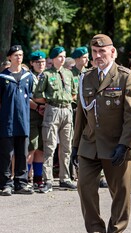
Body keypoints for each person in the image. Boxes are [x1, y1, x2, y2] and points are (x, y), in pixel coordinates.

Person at [71, 34, 131, 233]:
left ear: (113, 52)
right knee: (85, 187)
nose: (98, 56)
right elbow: (80, 114)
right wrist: (74, 146)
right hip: (90, 144)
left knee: (120, 192)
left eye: (102, 51)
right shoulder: (86, 78)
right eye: (94, 52)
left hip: (117, 144)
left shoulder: (125, 77)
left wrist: (125, 144)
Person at [34, 46, 78, 192]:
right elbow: (37, 95)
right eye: (59, 56)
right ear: (53, 59)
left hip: (67, 109)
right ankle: (48, 180)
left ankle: (65, 178)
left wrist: (65, 101)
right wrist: (49, 101)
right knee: (50, 145)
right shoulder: (46, 74)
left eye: (64, 56)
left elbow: (73, 93)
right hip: (52, 110)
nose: (62, 59)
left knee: (66, 147)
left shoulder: (68, 73)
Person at [0, 45, 34, 196]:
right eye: (15, 55)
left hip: (23, 121)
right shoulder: (2, 77)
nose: (19, 57)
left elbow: (30, 96)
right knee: (6, 154)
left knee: (22, 153)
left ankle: (21, 183)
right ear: (9, 58)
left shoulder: (28, 77)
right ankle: (5, 184)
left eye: (20, 55)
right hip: (7, 121)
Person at [28, 51, 47, 191]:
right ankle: (27, 177)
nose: (41, 65)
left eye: (43, 62)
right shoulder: (28, 77)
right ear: (32, 63)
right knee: (31, 147)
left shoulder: (48, 76)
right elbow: (25, 96)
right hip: (32, 115)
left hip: (46, 116)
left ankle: (38, 179)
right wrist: (37, 107)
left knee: (41, 147)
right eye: (38, 62)